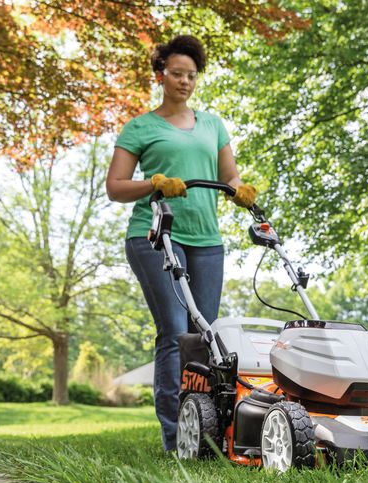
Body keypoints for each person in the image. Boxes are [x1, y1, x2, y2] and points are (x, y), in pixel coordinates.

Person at [105, 35, 256, 452]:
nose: (185, 81)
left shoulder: (212, 124)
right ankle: (175, 437)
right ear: (161, 75)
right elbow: (115, 187)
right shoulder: (141, 126)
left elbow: (231, 175)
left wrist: (242, 189)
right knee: (174, 332)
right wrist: (153, 182)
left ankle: (204, 431)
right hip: (155, 237)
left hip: (207, 240)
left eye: (191, 75)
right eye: (176, 73)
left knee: (202, 337)